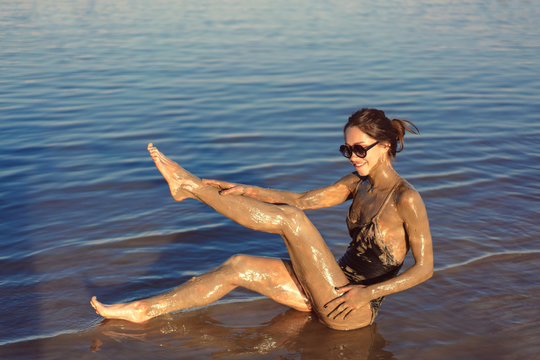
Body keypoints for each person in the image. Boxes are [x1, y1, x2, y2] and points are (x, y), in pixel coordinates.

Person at [90, 108, 433, 331]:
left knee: (293, 222)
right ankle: (144, 309)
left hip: (351, 309)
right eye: (347, 150)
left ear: (385, 145)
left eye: (360, 149)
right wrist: (247, 190)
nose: (353, 157)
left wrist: (365, 294)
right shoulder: (356, 183)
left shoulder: (406, 199)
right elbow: (301, 200)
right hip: (325, 288)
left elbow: (425, 269)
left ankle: (189, 187)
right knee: (237, 265)